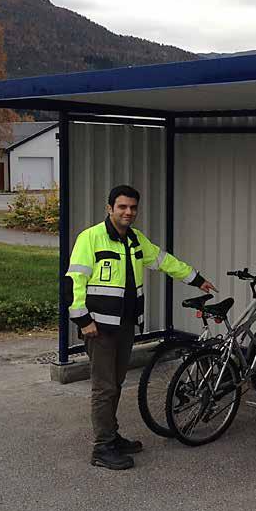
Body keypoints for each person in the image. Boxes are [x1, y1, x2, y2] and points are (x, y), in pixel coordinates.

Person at [65, 184, 216, 470]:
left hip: (124, 325)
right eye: (122, 206)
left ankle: (111, 435)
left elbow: (164, 261)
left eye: (133, 207)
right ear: (109, 208)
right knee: (104, 388)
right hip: (98, 328)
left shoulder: (135, 240)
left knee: (116, 384)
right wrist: (83, 321)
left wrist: (196, 279)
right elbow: (74, 282)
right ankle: (102, 448)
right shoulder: (91, 239)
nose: (128, 212)